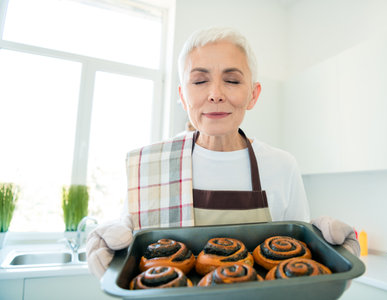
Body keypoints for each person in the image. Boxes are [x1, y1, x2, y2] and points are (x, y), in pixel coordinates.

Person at [86, 27, 360, 279]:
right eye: (199, 81)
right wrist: (110, 257)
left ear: (253, 94)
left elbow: (302, 271)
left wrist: (338, 259)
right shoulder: (150, 166)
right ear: (182, 96)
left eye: (231, 80)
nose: (215, 94)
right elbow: (131, 254)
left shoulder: (282, 165)